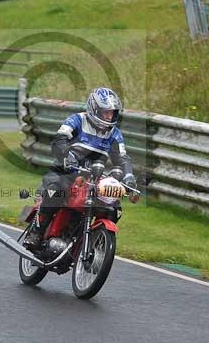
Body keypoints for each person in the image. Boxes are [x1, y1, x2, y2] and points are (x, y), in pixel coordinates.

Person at [23, 87, 135, 249]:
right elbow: (59, 140)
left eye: (113, 113)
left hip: (95, 177)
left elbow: (123, 158)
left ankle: (95, 242)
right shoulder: (76, 120)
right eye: (106, 113)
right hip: (67, 171)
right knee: (57, 189)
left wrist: (129, 177)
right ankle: (37, 231)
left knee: (113, 205)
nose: (110, 117)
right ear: (94, 110)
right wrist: (67, 156)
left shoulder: (115, 134)